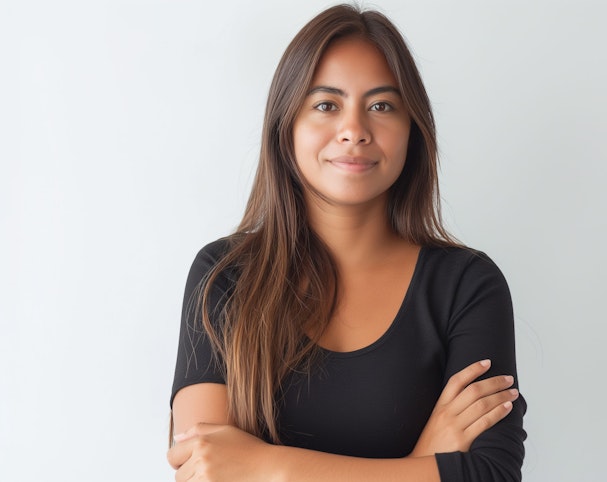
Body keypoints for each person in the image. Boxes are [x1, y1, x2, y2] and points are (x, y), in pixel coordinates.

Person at [168, 4, 526, 481]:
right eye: (326, 104)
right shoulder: (224, 275)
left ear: (412, 130)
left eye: (381, 105)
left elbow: (492, 475)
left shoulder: (467, 286)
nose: (354, 130)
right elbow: (204, 469)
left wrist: (267, 467)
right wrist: (421, 463)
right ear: (286, 126)